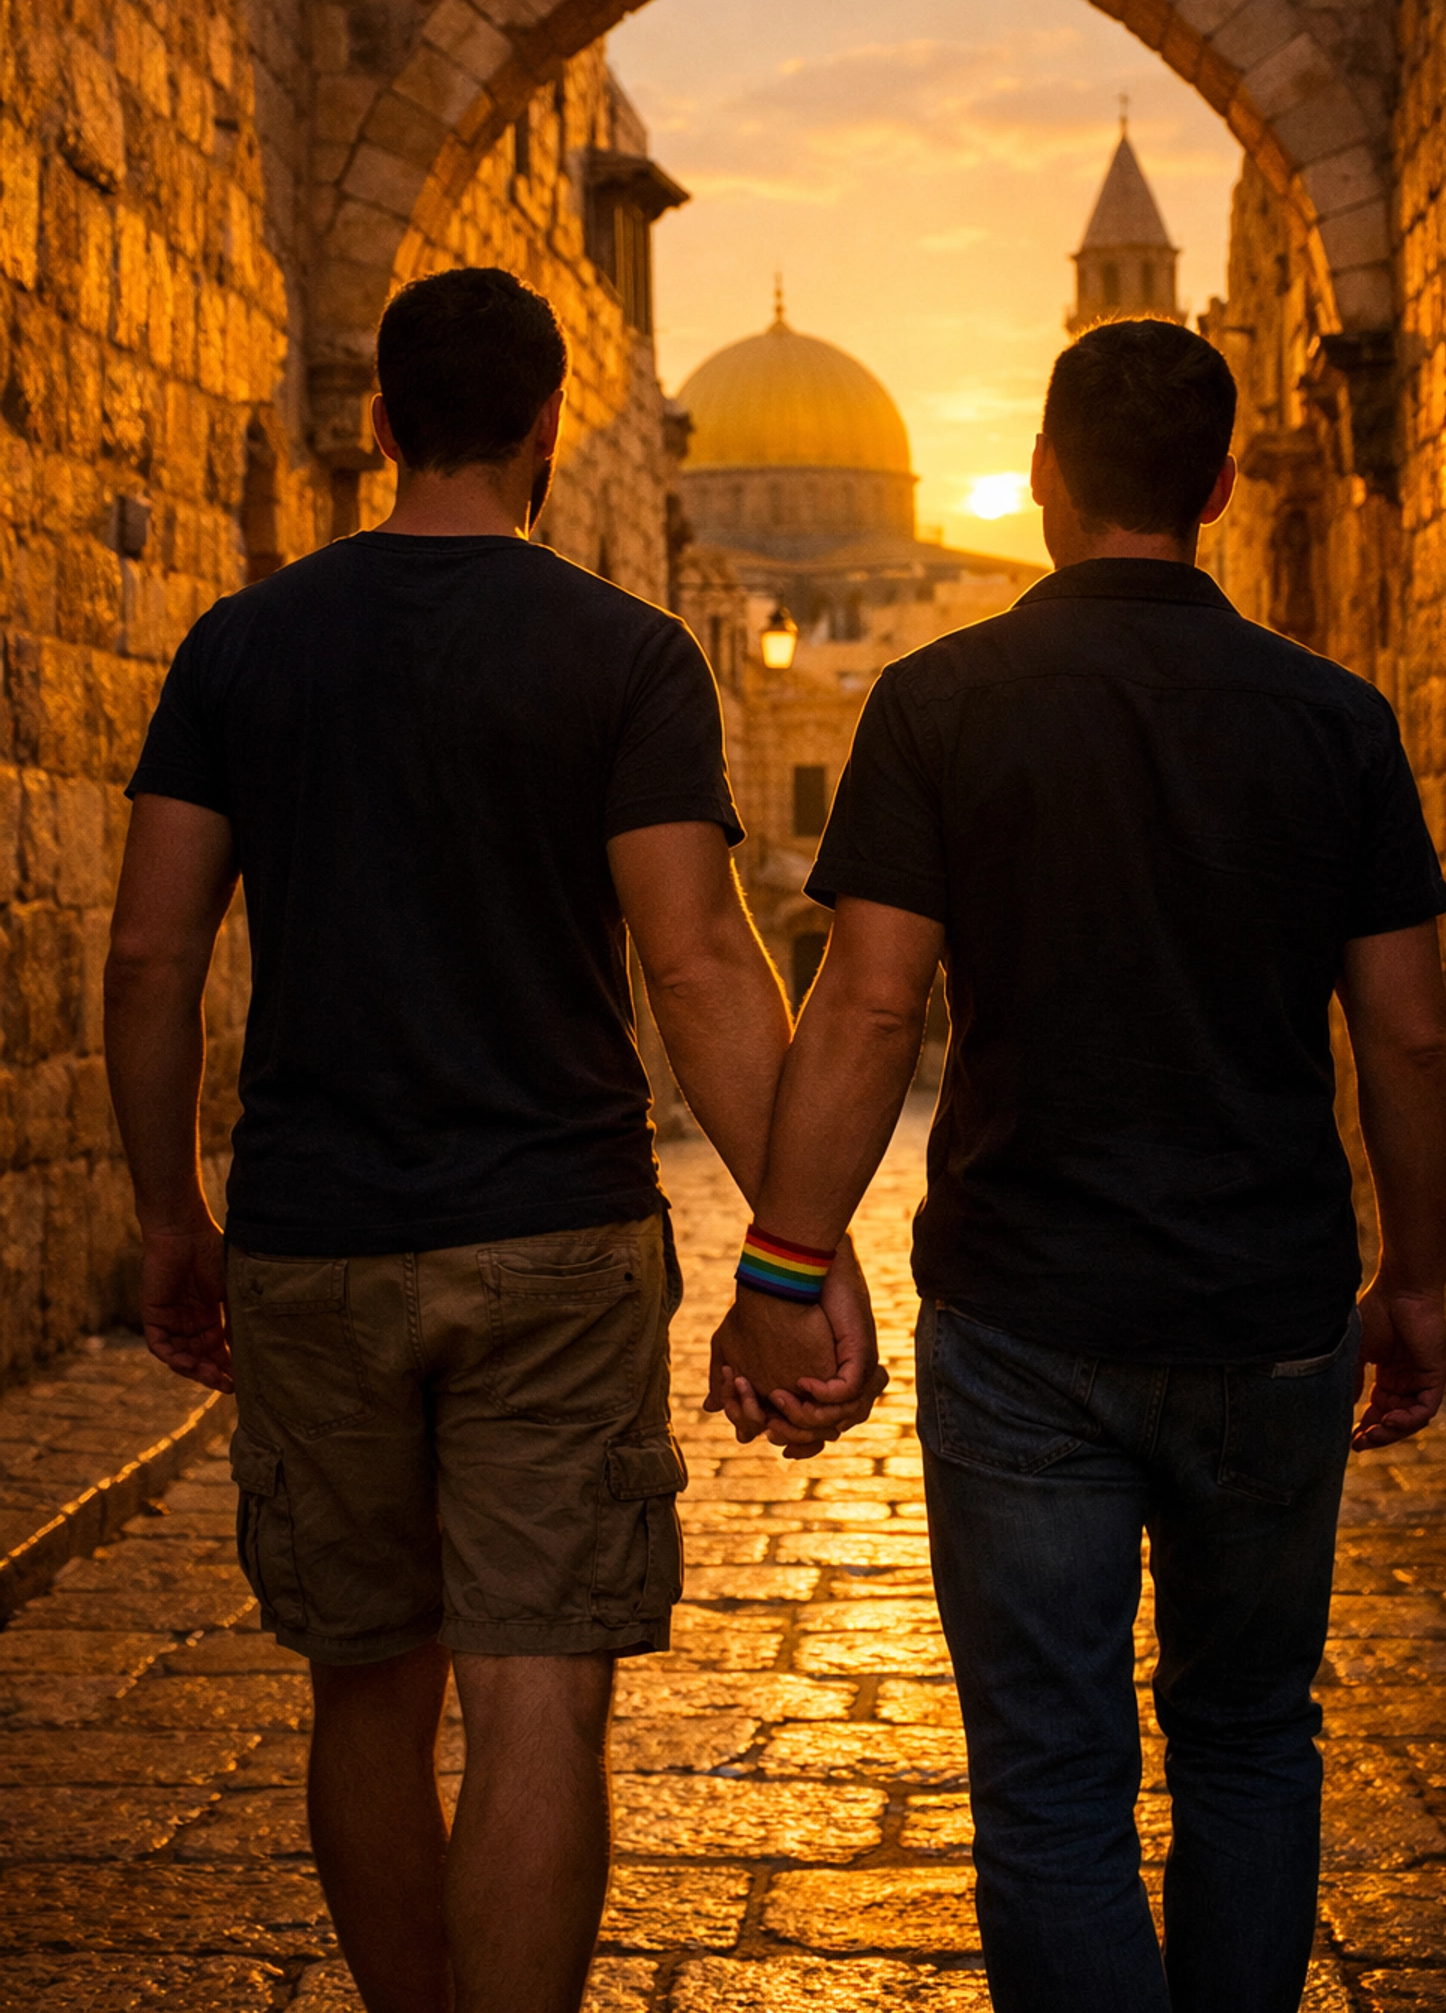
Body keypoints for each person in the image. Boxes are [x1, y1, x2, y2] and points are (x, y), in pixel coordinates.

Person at [102, 267, 879, 2013]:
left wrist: (170, 1216)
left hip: (310, 1239)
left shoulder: (241, 648)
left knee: (366, 1694)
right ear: (547, 430)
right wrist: (796, 1244)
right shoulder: (627, 654)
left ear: (381, 425)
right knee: (540, 1699)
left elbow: (151, 955)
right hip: (556, 1242)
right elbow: (698, 960)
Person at [712, 319, 1446, 2013]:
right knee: (1250, 1736)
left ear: (1043, 477)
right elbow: (1411, 1039)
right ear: (1218, 488)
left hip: (1027, 1321)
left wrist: (783, 1267)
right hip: (1270, 1313)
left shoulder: (938, 703)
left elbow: (870, 1004)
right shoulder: (1336, 721)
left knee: (1051, 1775)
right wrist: (1415, 1281)